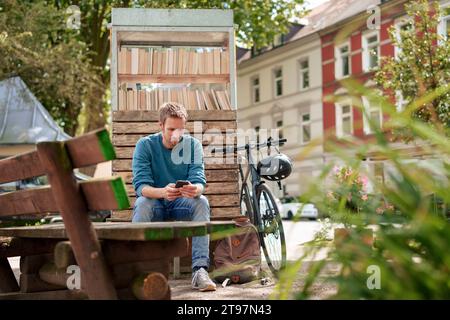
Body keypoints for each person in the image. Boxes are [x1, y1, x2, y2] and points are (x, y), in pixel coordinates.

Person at [131, 102, 216, 292]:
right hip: (155, 202)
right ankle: (136, 270)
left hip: (180, 203)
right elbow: (141, 186)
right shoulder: (145, 145)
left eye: (180, 129)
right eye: (171, 129)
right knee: (142, 203)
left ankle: (200, 271)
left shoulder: (192, 145)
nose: (175, 135)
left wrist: (196, 189)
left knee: (201, 202)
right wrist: (162, 191)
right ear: (160, 125)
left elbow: (199, 179)